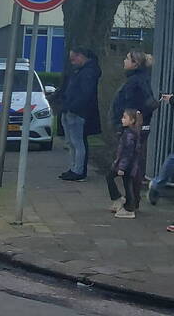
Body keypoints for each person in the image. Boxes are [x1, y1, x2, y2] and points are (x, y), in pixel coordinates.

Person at [111, 51, 158, 184]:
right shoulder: (140, 79)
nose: (124, 61)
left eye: (127, 59)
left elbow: (130, 104)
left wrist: (124, 123)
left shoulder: (135, 81)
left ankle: (133, 188)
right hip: (135, 123)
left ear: (135, 64)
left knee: (131, 154)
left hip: (132, 124)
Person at [54, 48, 101, 181]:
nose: (72, 62)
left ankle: (78, 171)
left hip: (77, 112)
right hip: (71, 110)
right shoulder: (81, 71)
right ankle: (74, 168)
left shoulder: (88, 72)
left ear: (81, 56)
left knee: (77, 142)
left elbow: (85, 94)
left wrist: (72, 108)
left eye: (74, 58)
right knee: (71, 142)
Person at [107, 108, 143, 219]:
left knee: (127, 185)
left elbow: (128, 153)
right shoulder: (129, 132)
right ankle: (125, 202)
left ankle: (129, 208)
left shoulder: (129, 134)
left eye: (124, 117)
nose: (122, 119)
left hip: (127, 166)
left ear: (131, 120)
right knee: (125, 183)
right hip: (127, 165)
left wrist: (121, 167)